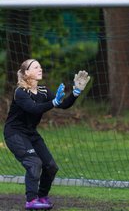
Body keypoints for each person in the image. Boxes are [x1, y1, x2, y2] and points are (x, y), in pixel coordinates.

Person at [3, 59, 90, 210]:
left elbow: (63, 105)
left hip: (31, 133)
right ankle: (31, 200)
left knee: (51, 166)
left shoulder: (43, 91)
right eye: (35, 67)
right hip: (14, 133)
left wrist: (76, 92)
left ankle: (42, 198)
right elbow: (34, 108)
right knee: (34, 162)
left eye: (40, 66)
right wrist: (53, 103)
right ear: (26, 73)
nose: (40, 69)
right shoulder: (20, 92)